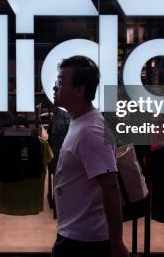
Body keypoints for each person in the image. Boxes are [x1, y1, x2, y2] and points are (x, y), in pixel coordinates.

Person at [51, 56, 128, 257]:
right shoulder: (80, 122)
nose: (54, 87)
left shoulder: (90, 131)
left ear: (79, 90)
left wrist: (117, 243)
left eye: (60, 82)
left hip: (84, 243)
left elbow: (111, 187)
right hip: (75, 234)